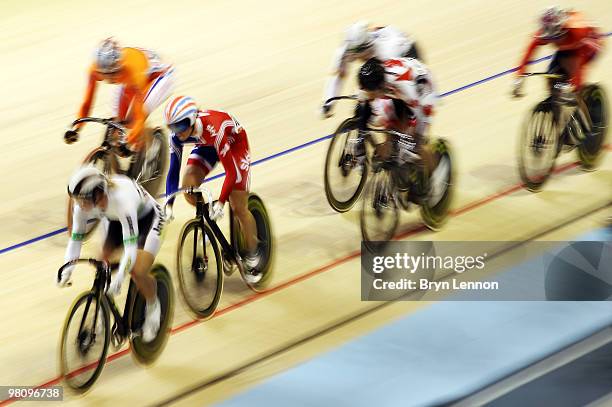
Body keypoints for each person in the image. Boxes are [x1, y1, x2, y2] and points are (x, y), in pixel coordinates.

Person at [58, 166, 165, 343]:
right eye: (76, 199)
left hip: (148, 219)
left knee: (137, 270)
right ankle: (102, 311)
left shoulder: (123, 200)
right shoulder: (84, 206)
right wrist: (66, 269)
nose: (79, 205)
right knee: (102, 263)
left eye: (82, 200)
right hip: (116, 220)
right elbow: (75, 240)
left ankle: (154, 306)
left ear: (98, 194)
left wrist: (120, 277)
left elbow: (130, 249)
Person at [163, 96, 261, 281]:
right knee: (189, 188)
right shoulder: (176, 136)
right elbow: (173, 170)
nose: (178, 132)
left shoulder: (213, 128)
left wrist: (222, 203)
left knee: (239, 207)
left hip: (234, 143)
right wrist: (168, 204)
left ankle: (253, 254)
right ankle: (209, 218)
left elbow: (231, 173)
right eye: (173, 127)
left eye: (181, 126)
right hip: (207, 146)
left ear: (192, 120)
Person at [356, 57, 448, 205]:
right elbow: (364, 112)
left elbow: (416, 115)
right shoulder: (368, 82)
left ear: (379, 87)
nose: (365, 93)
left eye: (369, 92)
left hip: (422, 90)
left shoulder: (403, 87)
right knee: (389, 124)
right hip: (398, 92)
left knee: (416, 143)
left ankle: (435, 180)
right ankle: (402, 173)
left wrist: (409, 138)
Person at [64, 38, 175, 153]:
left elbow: (139, 116)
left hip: (160, 76)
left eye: (113, 73)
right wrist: (77, 129)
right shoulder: (94, 71)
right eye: (105, 74)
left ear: (119, 67)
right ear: (98, 70)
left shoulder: (129, 72)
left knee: (134, 119)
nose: (110, 78)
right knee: (117, 122)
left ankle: (148, 150)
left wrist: (130, 140)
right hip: (134, 72)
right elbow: (87, 103)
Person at [321, 21, 421, 118]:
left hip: (406, 53)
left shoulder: (385, 51)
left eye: (359, 51)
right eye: (352, 51)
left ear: (368, 44)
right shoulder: (345, 50)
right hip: (382, 55)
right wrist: (329, 102)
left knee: (395, 104)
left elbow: (389, 81)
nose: (355, 55)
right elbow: (338, 76)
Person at [511, 6, 604, 99]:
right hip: (569, 47)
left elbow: (579, 65)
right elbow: (528, 55)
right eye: (550, 38)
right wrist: (519, 78)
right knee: (551, 77)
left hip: (590, 45)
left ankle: (583, 104)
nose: (553, 41)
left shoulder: (576, 32)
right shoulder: (544, 34)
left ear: (563, 28)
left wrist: (575, 88)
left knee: (572, 74)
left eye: (556, 37)